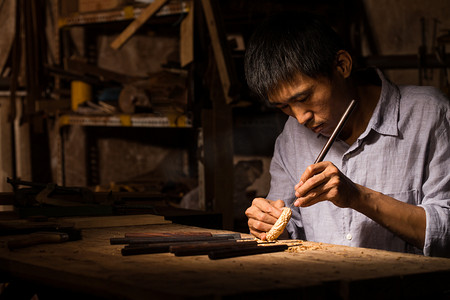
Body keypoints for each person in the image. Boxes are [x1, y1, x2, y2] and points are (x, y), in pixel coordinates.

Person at [244, 12, 450, 258]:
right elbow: (289, 231)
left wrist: (358, 197)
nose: (300, 117)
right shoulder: (293, 135)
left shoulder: (430, 114)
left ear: (342, 65)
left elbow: (445, 234)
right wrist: (269, 224)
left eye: (304, 98)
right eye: (284, 107)